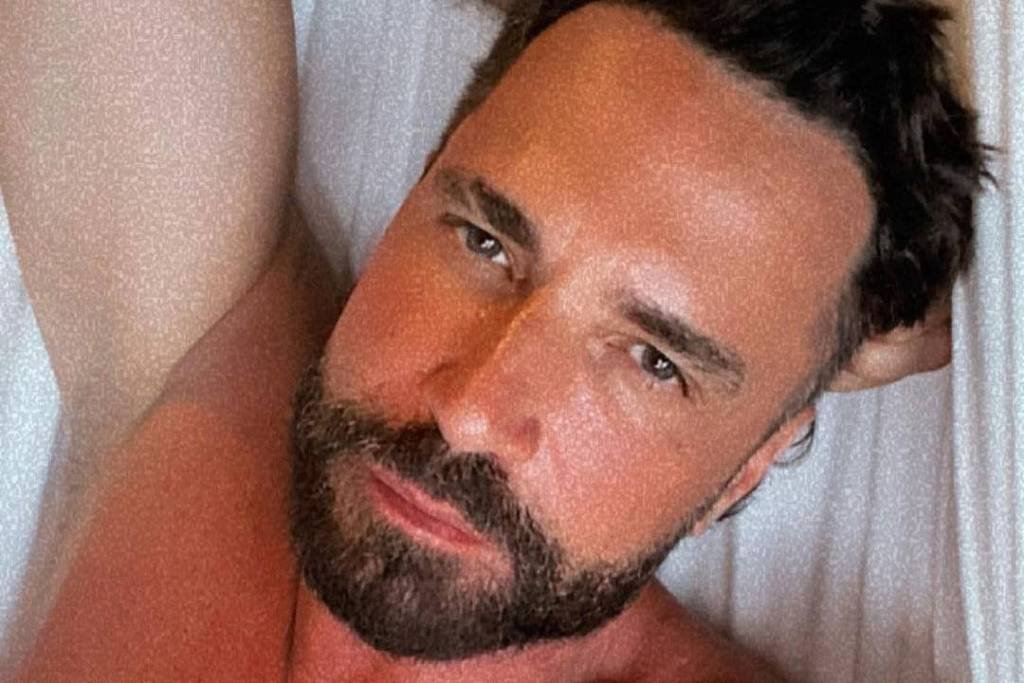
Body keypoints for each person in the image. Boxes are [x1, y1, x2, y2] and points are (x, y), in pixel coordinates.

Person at [2, 0, 984, 680]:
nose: (470, 410)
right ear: (418, 187)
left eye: (654, 359)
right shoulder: (202, 393)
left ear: (745, 470)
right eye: (485, 241)